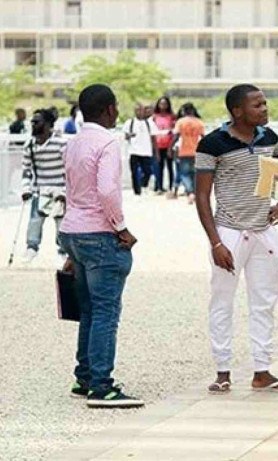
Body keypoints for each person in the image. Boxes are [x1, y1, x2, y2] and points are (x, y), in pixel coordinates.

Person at [195, 84, 278, 394]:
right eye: (257, 105)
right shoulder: (212, 143)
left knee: (264, 303)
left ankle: (262, 371)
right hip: (229, 233)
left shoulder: (270, 138)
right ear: (237, 111)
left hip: (264, 232)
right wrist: (215, 243)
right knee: (222, 301)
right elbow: (201, 196)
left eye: (265, 104)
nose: (265, 109)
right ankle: (222, 371)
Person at [59, 84, 143, 408]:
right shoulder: (108, 141)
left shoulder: (73, 142)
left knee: (89, 309)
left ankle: (84, 377)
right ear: (108, 109)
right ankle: (102, 386)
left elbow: (69, 188)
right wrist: (121, 228)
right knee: (106, 310)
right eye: (117, 107)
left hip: (73, 232)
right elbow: (107, 190)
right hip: (99, 233)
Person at [21, 108, 67, 265]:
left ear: (48, 124)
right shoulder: (30, 146)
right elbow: (27, 170)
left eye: (36, 122)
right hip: (40, 189)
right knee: (35, 220)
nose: (33, 125)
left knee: (61, 223)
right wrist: (26, 189)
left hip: (59, 190)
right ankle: (31, 248)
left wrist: (66, 191)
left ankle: (63, 251)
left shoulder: (61, 144)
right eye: (32, 122)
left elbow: (71, 170)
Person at [123, 104, 160, 196]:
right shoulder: (130, 122)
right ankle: (137, 191)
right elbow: (126, 136)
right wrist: (129, 135)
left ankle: (143, 184)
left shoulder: (149, 123)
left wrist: (156, 152)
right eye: (137, 110)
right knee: (134, 172)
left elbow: (154, 138)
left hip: (146, 151)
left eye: (141, 110)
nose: (139, 112)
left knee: (148, 171)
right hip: (134, 151)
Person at [173, 102, 205, 204]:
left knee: (184, 174)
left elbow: (176, 136)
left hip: (184, 151)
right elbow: (204, 138)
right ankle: (194, 193)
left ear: (184, 111)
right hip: (196, 151)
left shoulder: (181, 122)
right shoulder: (199, 122)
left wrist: (170, 148)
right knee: (195, 174)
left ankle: (190, 192)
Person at [152, 96, 176, 193]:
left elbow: (175, 132)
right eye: (161, 103)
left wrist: (171, 146)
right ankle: (159, 187)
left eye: (165, 104)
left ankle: (171, 186)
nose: (163, 106)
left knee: (170, 167)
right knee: (159, 167)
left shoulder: (172, 116)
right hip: (158, 145)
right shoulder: (154, 117)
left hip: (169, 145)